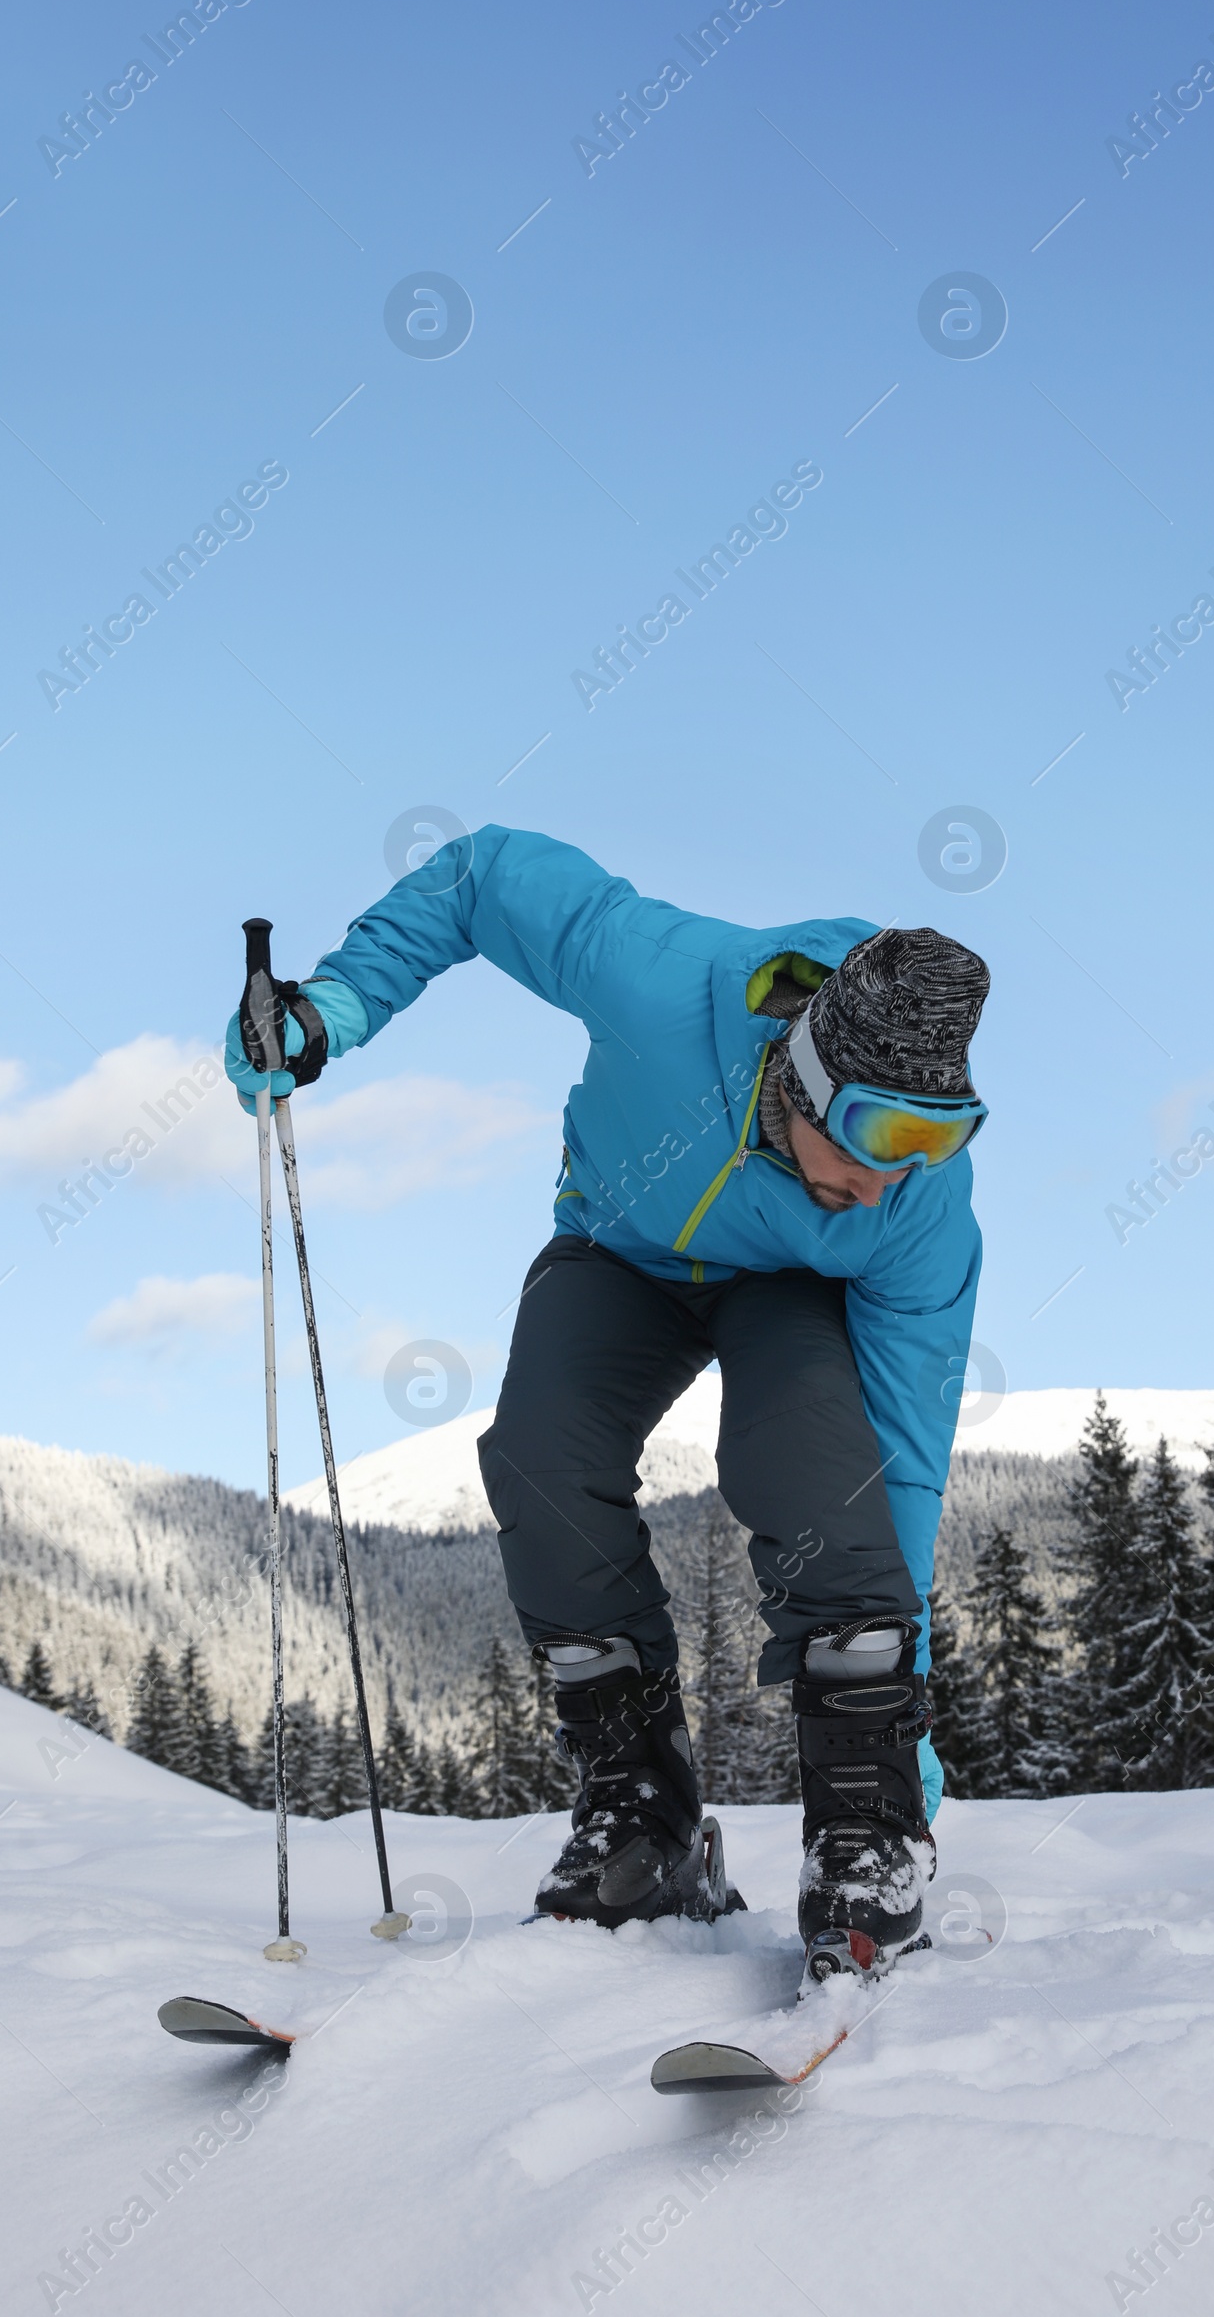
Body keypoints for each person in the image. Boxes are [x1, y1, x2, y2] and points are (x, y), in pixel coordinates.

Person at [226, 825, 989, 1960]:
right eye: (878, 1134)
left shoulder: (910, 1211)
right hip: (617, 1253)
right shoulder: (659, 976)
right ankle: (644, 1809)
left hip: (783, 1288)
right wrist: (333, 1008)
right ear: (807, 1074)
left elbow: (905, 1453)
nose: (886, 1177)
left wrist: (903, 1694)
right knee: (538, 1452)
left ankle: (866, 1831)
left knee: (802, 1459)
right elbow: (482, 877)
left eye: (932, 1138)